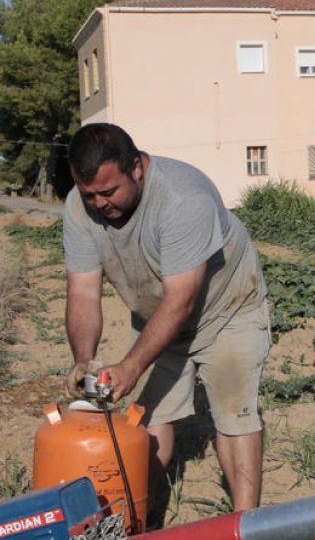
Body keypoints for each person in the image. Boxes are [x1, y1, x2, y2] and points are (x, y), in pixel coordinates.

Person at [62, 123, 271, 513]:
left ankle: (246, 525)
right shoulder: (79, 208)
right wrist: (84, 358)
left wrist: (132, 366)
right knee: (149, 415)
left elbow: (181, 300)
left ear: (138, 167)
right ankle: (137, 514)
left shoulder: (182, 198)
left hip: (226, 309)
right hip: (158, 313)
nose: (99, 204)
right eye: (90, 194)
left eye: (109, 192)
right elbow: (84, 292)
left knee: (233, 410)